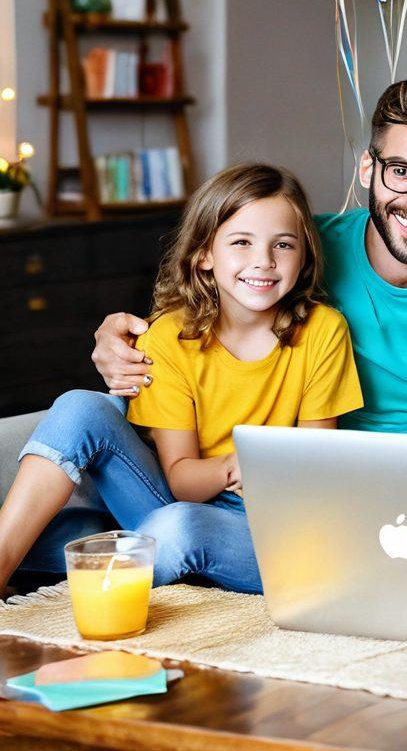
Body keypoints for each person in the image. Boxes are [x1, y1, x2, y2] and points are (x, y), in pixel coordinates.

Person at [91, 78, 407, 438]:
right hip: (305, 475)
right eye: (401, 172)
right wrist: (123, 341)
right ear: (368, 169)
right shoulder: (296, 252)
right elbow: (195, 320)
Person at [0, 164, 362, 593]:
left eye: (283, 244)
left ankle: (101, 565)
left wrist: (267, 473)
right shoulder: (170, 335)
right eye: (241, 242)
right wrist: (235, 466)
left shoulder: (323, 331)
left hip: (266, 532)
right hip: (176, 501)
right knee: (81, 406)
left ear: (304, 259)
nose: (263, 261)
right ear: (204, 254)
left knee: (174, 527)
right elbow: (181, 480)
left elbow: (315, 473)